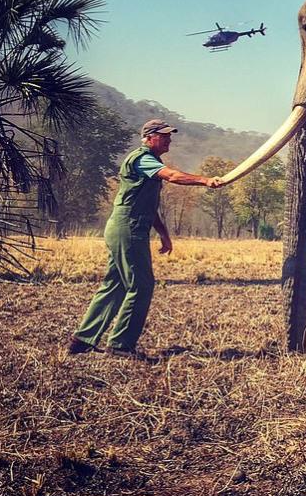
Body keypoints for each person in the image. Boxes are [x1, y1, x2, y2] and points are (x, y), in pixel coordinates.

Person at [68, 119, 224, 358]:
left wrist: (164, 235)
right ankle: (120, 345)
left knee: (116, 284)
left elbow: (149, 206)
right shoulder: (142, 159)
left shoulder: (151, 162)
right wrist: (205, 180)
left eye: (169, 135)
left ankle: (83, 340)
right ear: (149, 138)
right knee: (141, 285)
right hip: (127, 228)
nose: (169, 139)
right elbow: (172, 175)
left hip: (128, 227)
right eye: (164, 136)